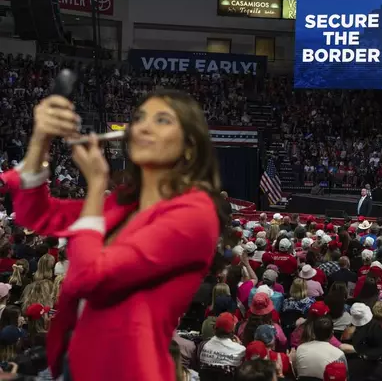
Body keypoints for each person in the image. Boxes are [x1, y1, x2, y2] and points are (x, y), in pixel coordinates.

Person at [1, 90, 226, 380]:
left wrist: (95, 185)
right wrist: (40, 143)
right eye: (139, 118)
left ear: (189, 147)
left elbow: (91, 278)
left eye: (161, 120)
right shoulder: (124, 202)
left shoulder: (195, 213)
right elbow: (37, 215)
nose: (142, 126)